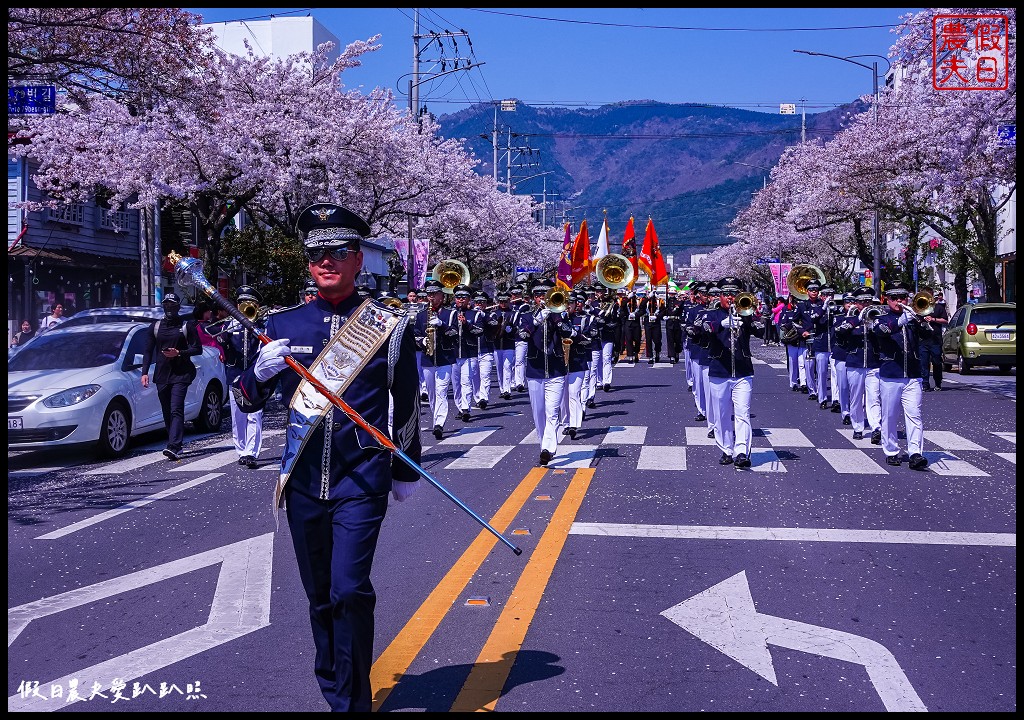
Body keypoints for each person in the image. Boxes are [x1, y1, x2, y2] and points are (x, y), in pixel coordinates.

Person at [234, 203, 421, 712]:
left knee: (349, 590)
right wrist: (261, 373)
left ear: (359, 259)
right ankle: (334, 682)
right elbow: (247, 400)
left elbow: (404, 400)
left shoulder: (389, 323)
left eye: (338, 251)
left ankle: (352, 702)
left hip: (360, 478)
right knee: (319, 596)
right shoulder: (282, 323)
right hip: (302, 483)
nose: (326, 261)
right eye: (317, 253)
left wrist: (404, 467)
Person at [700, 276, 766, 467]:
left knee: (743, 413)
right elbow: (704, 329)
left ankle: (741, 452)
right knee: (722, 414)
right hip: (719, 370)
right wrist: (721, 324)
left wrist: (754, 317)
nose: (730, 297)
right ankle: (727, 449)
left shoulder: (746, 313)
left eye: (734, 293)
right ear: (719, 296)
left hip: (743, 371)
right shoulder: (711, 314)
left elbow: (761, 331)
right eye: (726, 294)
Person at [871, 280, 929, 470]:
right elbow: (881, 331)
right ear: (887, 299)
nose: (898, 301)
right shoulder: (880, 317)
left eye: (902, 297)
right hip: (891, 374)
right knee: (889, 415)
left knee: (914, 415)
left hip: (912, 374)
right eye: (894, 297)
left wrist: (923, 322)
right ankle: (891, 451)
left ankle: (915, 454)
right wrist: (901, 321)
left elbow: (930, 338)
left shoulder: (913, 318)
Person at [518, 278, 575, 465]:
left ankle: (548, 449)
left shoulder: (560, 314)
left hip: (556, 370)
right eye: (537, 295)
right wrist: (536, 320)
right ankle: (544, 443)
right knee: (538, 412)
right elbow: (522, 335)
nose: (541, 298)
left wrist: (557, 318)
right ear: (532, 298)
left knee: (552, 412)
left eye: (544, 294)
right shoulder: (526, 315)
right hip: (534, 370)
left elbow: (569, 332)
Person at [141, 293, 203, 461]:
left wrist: (179, 353)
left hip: (181, 373)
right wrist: (144, 372)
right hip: (162, 374)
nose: (169, 308)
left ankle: (174, 446)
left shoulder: (186, 326)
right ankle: (174, 441)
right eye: (166, 305)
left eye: (172, 305)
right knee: (167, 410)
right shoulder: (155, 327)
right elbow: (148, 351)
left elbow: (198, 349)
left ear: (177, 307)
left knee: (176, 408)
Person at [224, 286, 266, 469]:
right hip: (235, 376)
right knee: (238, 415)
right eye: (241, 303)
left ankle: (251, 452)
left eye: (248, 303)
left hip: (254, 377)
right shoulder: (229, 325)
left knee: (254, 415)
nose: (244, 306)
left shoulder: (261, 326)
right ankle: (241, 450)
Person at [414, 278, 458, 439]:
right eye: (429, 294)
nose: (431, 297)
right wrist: (422, 341)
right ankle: (436, 418)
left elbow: (455, 334)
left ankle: (439, 423)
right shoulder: (420, 315)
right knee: (432, 393)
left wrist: (442, 324)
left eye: (434, 294)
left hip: (445, 358)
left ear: (442, 295)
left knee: (441, 391)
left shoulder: (450, 313)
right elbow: (415, 335)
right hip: (427, 359)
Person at [917, 286, 949, 391]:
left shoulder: (939, 307)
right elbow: (914, 319)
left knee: (936, 362)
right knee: (924, 363)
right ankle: (925, 384)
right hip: (923, 339)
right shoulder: (919, 307)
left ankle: (938, 383)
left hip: (935, 339)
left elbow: (945, 320)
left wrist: (933, 319)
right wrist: (920, 321)